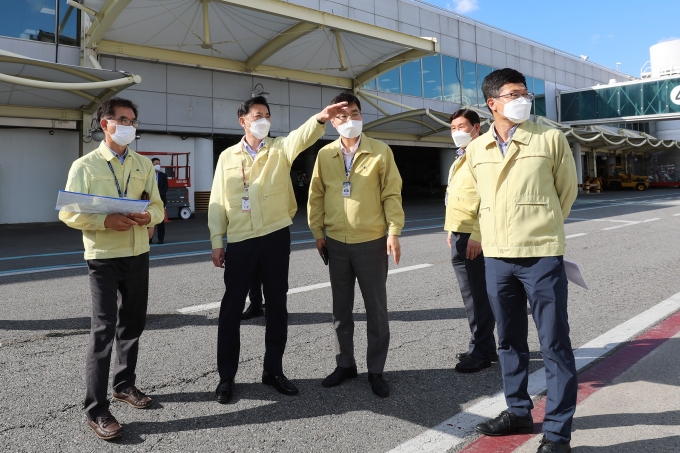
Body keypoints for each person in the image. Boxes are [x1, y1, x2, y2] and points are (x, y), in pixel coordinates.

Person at [465, 69, 578, 453]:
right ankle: (517, 410)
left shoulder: (549, 138)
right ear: (492, 103)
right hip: (497, 256)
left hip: (541, 254)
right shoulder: (477, 148)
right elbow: (473, 198)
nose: (524, 99)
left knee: (554, 344)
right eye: (514, 93)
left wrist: (540, 225)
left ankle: (558, 433)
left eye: (526, 93)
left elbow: (566, 192)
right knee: (508, 340)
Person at [209, 95, 348, 403]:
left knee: (276, 306)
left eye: (267, 115)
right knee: (231, 309)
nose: (263, 120)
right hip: (241, 239)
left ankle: (273, 370)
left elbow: (303, 136)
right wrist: (217, 241)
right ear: (242, 120)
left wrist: (322, 117)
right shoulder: (228, 157)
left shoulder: (279, 149)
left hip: (274, 237)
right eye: (257, 115)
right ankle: (226, 377)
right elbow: (217, 202)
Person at [59, 97, 164, 441]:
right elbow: (69, 212)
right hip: (102, 254)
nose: (130, 126)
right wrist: (105, 220)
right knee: (103, 329)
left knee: (133, 322)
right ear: (105, 124)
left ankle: (124, 384)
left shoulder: (142, 164)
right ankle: (97, 409)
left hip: (138, 252)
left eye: (133, 120)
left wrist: (150, 217)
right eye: (123, 119)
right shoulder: (85, 166)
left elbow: (158, 207)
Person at [308, 92, 404, 398]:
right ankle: (345, 364)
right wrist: (317, 232)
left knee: (376, 310)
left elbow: (392, 193)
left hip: (372, 241)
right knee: (341, 309)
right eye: (343, 116)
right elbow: (316, 195)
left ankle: (376, 370)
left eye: (356, 114)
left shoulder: (380, 151)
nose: (351, 121)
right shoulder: (325, 155)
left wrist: (394, 231)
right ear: (333, 121)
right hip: (336, 242)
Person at [445, 108, 497, 373]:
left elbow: (488, 197)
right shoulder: (462, 156)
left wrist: (477, 235)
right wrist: (451, 230)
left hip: (474, 236)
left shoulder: (482, 154)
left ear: (477, 127)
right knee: (473, 295)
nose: (457, 132)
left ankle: (480, 352)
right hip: (459, 233)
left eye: (462, 126)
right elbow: (457, 195)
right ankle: (486, 345)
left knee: (477, 296)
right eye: (453, 127)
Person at [241, 182, 297, 320]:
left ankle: (275, 306)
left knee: (275, 272)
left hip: (273, 225)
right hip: (249, 224)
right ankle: (256, 305)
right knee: (253, 270)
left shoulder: (275, 165)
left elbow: (288, 200)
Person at [148, 157, 168, 244]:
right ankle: (149, 238)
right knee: (150, 219)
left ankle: (161, 238)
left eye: (159, 164)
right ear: (152, 165)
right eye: (156, 164)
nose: (158, 165)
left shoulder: (163, 176)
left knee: (160, 220)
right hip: (150, 201)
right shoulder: (148, 175)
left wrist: (158, 196)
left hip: (161, 200)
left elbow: (165, 187)